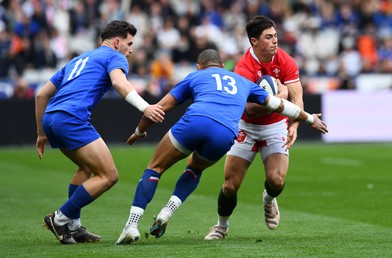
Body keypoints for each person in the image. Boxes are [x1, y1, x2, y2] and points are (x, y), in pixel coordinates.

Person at [115, 49, 328, 244]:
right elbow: (280, 105)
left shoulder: (195, 76)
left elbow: (160, 108)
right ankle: (167, 212)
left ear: (200, 66)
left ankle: (132, 225)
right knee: (195, 169)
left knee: (155, 168)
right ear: (222, 65)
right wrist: (310, 119)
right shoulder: (242, 81)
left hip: (196, 121)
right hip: (226, 132)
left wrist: (139, 131)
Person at [35, 20, 165, 244]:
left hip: (51, 118)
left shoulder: (79, 59)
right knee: (109, 175)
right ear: (117, 42)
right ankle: (60, 218)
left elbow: (41, 95)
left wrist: (41, 134)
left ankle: (73, 228)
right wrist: (146, 107)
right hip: (72, 118)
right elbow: (119, 83)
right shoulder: (115, 56)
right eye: (129, 43)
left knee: (86, 168)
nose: (131, 49)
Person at [205, 16, 307, 240]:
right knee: (230, 186)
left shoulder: (285, 60)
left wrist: (295, 124)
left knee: (277, 180)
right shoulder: (244, 68)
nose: (274, 41)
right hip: (246, 126)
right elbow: (250, 110)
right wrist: (280, 96)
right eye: (268, 37)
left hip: (276, 124)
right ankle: (221, 226)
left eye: (275, 36)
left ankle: (269, 199)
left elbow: (298, 97)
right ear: (254, 41)